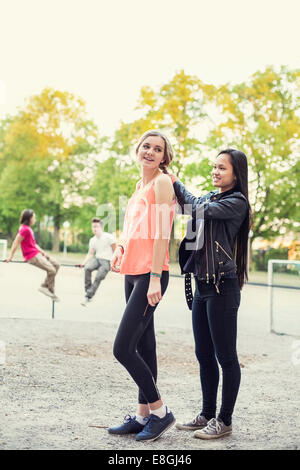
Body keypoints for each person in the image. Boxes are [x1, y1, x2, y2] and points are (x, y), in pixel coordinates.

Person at [172, 148, 251, 439]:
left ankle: (224, 420)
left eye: (222, 168)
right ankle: (206, 414)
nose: (215, 172)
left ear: (235, 174)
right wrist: (173, 185)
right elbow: (188, 206)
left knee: (226, 358)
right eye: (214, 167)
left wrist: (177, 182)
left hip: (223, 289)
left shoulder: (237, 202)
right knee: (203, 354)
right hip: (204, 286)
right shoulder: (210, 197)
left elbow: (192, 205)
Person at [108, 130, 176, 442]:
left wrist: (154, 277)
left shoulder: (162, 182)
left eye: (157, 148)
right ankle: (142, 415)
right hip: (132, 272)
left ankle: (161, 412)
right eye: (146, 146)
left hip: (151, 274)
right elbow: (132, 229)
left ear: (164, 156)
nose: (150, 151)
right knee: (145, 346)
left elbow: (163, 233)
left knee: (122, 348)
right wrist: (120, 247)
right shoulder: (140, 186)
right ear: (138, 149)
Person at [6, 209, 60, 301]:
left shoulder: (29, 229)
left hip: (37, 253)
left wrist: (43, 252)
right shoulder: (24, 229)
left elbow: (33, 244)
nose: (35, 219)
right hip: (32, 256)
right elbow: (15, 242)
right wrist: (11, 257)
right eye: (34, 217)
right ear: (29, 218)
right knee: (52, 270)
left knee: (56, 265)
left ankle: (48, 288)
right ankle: (45, 288)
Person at [80, 218, 116, 307]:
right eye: (93, 227)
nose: (94, 229)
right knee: (87, 268)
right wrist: (83, 263)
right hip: (97, 259)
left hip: (107, 261)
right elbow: (90, 253)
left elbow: (115, 251)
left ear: (101, 227)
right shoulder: (92, 240)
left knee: (98, 276)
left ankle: (88, 296)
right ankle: (88, 292)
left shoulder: (109, 237)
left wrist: (115, 263)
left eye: (96, 226)